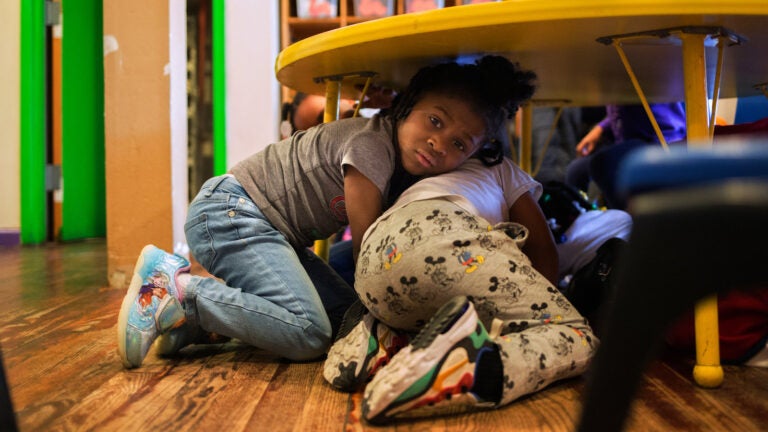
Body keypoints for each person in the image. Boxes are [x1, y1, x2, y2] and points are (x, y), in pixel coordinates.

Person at [115, 55, 538, 369]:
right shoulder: (371, 147)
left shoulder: (401, 158)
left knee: (345, 322)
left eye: (460, 145)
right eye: (435, 121)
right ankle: (178, 292)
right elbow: (368, 258)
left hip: (268, 231)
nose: (439, 143)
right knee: (309, 333)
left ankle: (189, 325)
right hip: (231, 213)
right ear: (406, 106)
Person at [323, 155, 598, 423]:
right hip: (443, 233)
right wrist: (538, 309)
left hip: (376, 258)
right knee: (577, 335)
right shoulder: (502, 168)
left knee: (439, 304)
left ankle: (385, 331)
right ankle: (475, 363)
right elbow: (545, 255)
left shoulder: (414, 176)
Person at [565, 102, 687, 209]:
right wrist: (600, 128)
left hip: (661, 138)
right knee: (575, 171)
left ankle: (631, 222)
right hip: (628, 141)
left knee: (604, 163)